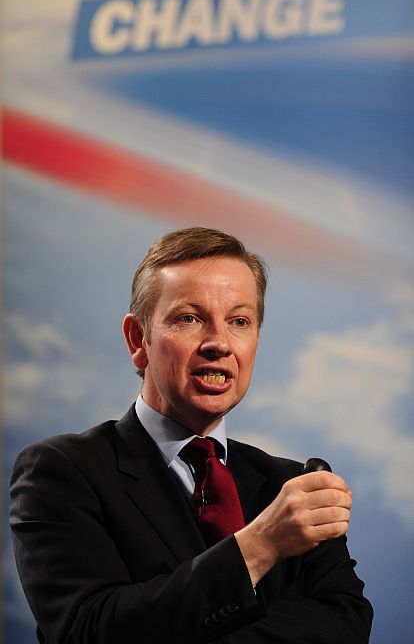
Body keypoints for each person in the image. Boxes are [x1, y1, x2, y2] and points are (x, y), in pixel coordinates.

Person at [10, 227, 373, 643]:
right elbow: (87, 631)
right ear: (138, 340)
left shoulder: (291, 485)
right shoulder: (61, 471)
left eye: (239, 321)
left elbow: (347, 625)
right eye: (189, 318)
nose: (219, 342)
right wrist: (260, 544)